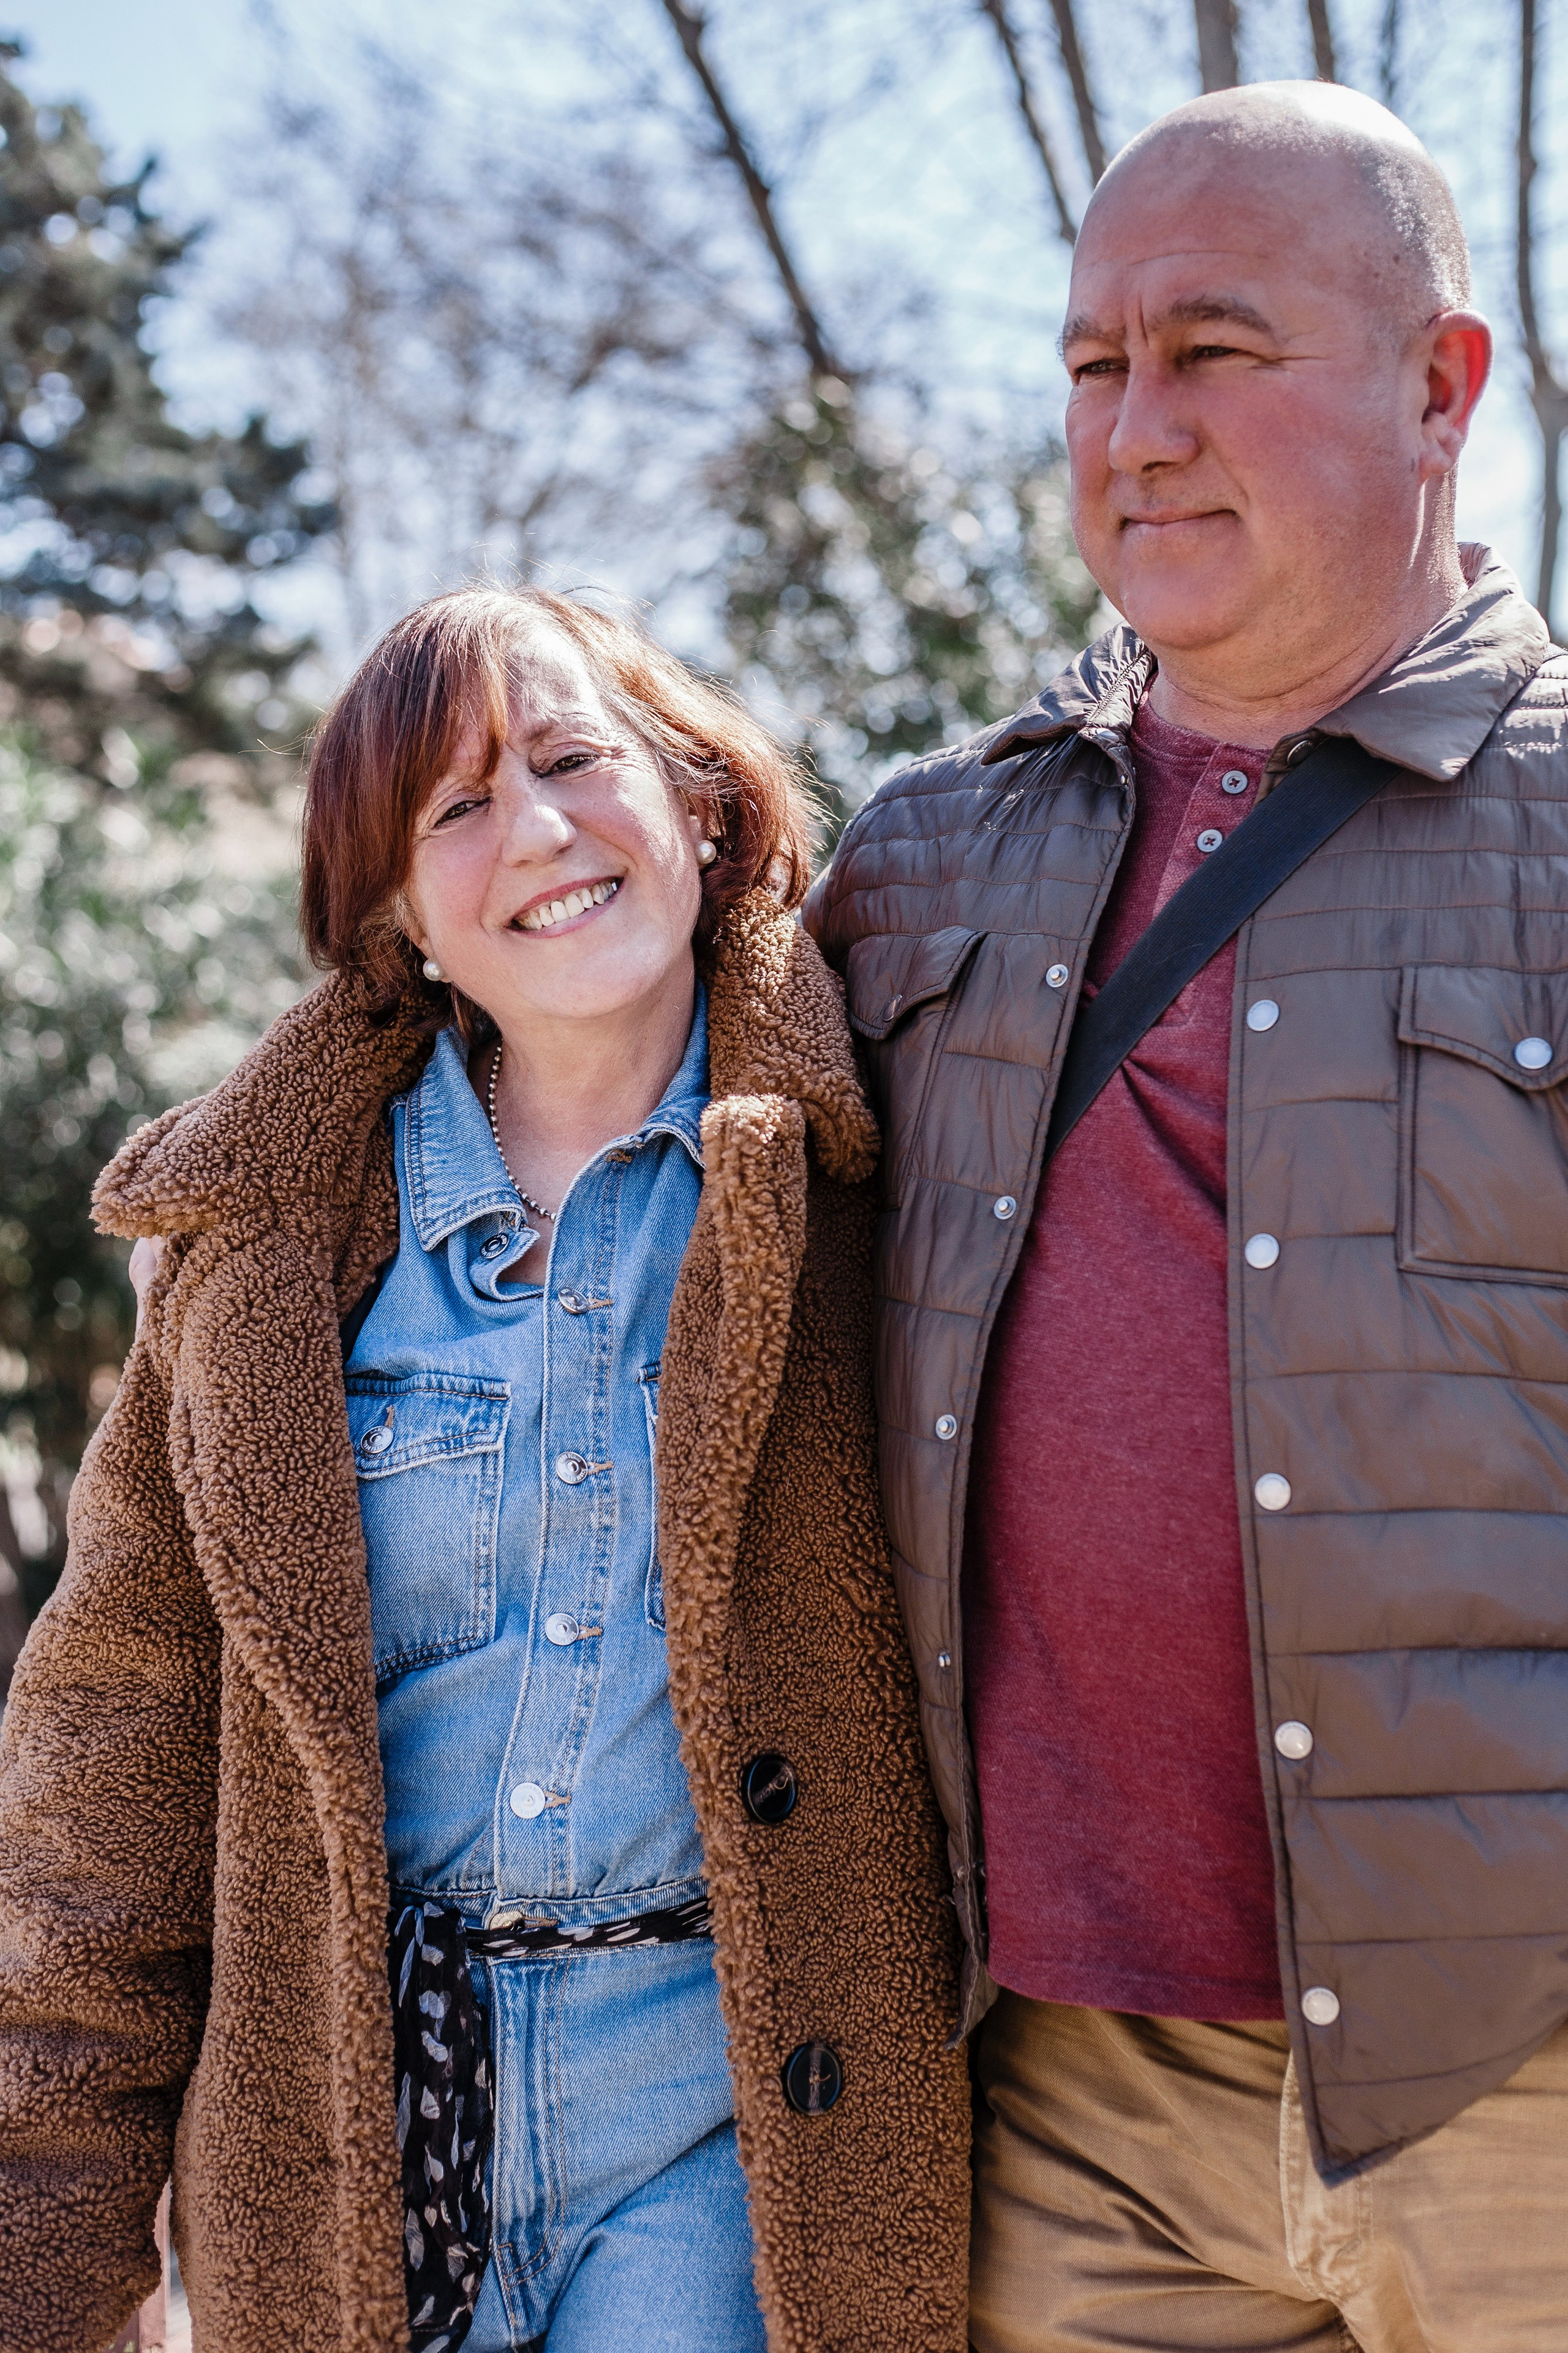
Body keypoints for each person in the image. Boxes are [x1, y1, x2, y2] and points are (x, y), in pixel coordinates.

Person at [806, 78, 1568, 2353]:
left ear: (1441, 387)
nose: (1136, 429)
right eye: (1091, 364)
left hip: (1525, 2080)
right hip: (1074, 2092)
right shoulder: (924, 856)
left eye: (1215, 349)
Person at [0, 587, 970, 2353]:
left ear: (699, 800)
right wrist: (49, 2255)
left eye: (575, 758)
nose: (533, 829)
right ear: (401, 920)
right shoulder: (259, 1262)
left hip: (721, 2120)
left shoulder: (873, 1184)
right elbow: (109, 1774)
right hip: (341, 2130)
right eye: (455, 807)